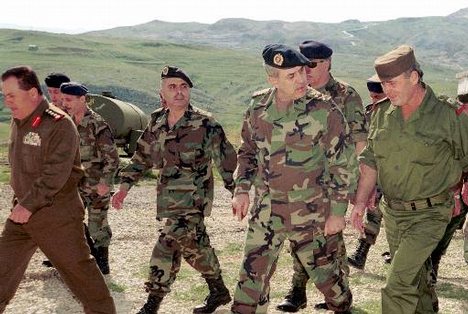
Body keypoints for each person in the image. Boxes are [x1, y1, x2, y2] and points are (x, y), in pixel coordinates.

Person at [231, 44, 354, 314]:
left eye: (302, 71)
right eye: (291, 75)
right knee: (249, 283)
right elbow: (248, 151)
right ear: (272, 78)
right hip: (267, 211)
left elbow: (342, 162)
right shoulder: (257, 107)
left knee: (330, 286)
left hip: (311, 214)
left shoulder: (323, 109)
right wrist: (241, 190)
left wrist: (337, 212)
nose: (302, 79)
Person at [350, 45, 468, 313]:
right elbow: (370, 161)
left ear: (414, 77)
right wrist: (359, 203)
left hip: (431, 214)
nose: (386, 90)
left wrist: (462, 195)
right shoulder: (382, 113)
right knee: (417, 281)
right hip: (393, 214)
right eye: (383, 84)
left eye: (392, 83)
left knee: (398, 285)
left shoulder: (449, 116)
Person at [112, 65, 237, 314]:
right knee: (194, 246)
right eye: (172, 87)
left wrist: (237, 191)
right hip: (168, 199)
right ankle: (218, 290)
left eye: (183, 87)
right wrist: (124, 187)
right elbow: (142, 157)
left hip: (194, 199)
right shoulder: (157, 120)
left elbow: (227, 160)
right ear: (162, 93)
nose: (179, 92)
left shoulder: (205, 123)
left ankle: (152, 304)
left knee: (167, 242)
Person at [0, 65, 116, 313]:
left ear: (32, 93)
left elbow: (57, 172)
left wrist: (28, 205)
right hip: (21, 214)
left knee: (82, 276)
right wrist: (22, 204)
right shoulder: (19, 120)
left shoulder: (59, 124)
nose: (7, 101)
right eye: (4, 95)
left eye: (11, 95)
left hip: (56, 217)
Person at [276, 40, 368, 313]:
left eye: (312, 65)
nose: (306, 70)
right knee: (298, 234)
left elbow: (361, 143)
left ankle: (338, 291)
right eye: (302, 65)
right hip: (299, 179)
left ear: (328, 63)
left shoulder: (346, 95)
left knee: (331, 238)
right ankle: (298, 290)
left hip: (333, 181)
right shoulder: (295, 92)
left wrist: (360, 185)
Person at [60, 82, 120, 275]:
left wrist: (105, 182)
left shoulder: (97, 123)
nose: (65, 103)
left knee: (98, 223)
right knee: (68, 220)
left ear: (82, 99)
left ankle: (102, 261)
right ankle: (86, 255)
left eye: (68, 99)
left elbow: (112, 158)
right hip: (72, 184)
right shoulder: (66, 121)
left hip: (95, 184)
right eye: (63, 99)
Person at [347, 74, 390, 270]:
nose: (374, 101)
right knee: (373, 214)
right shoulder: (368, 113)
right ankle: (361, 254)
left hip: (395, 174)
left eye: (377, 97)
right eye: (372, 97)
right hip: (374, 173)